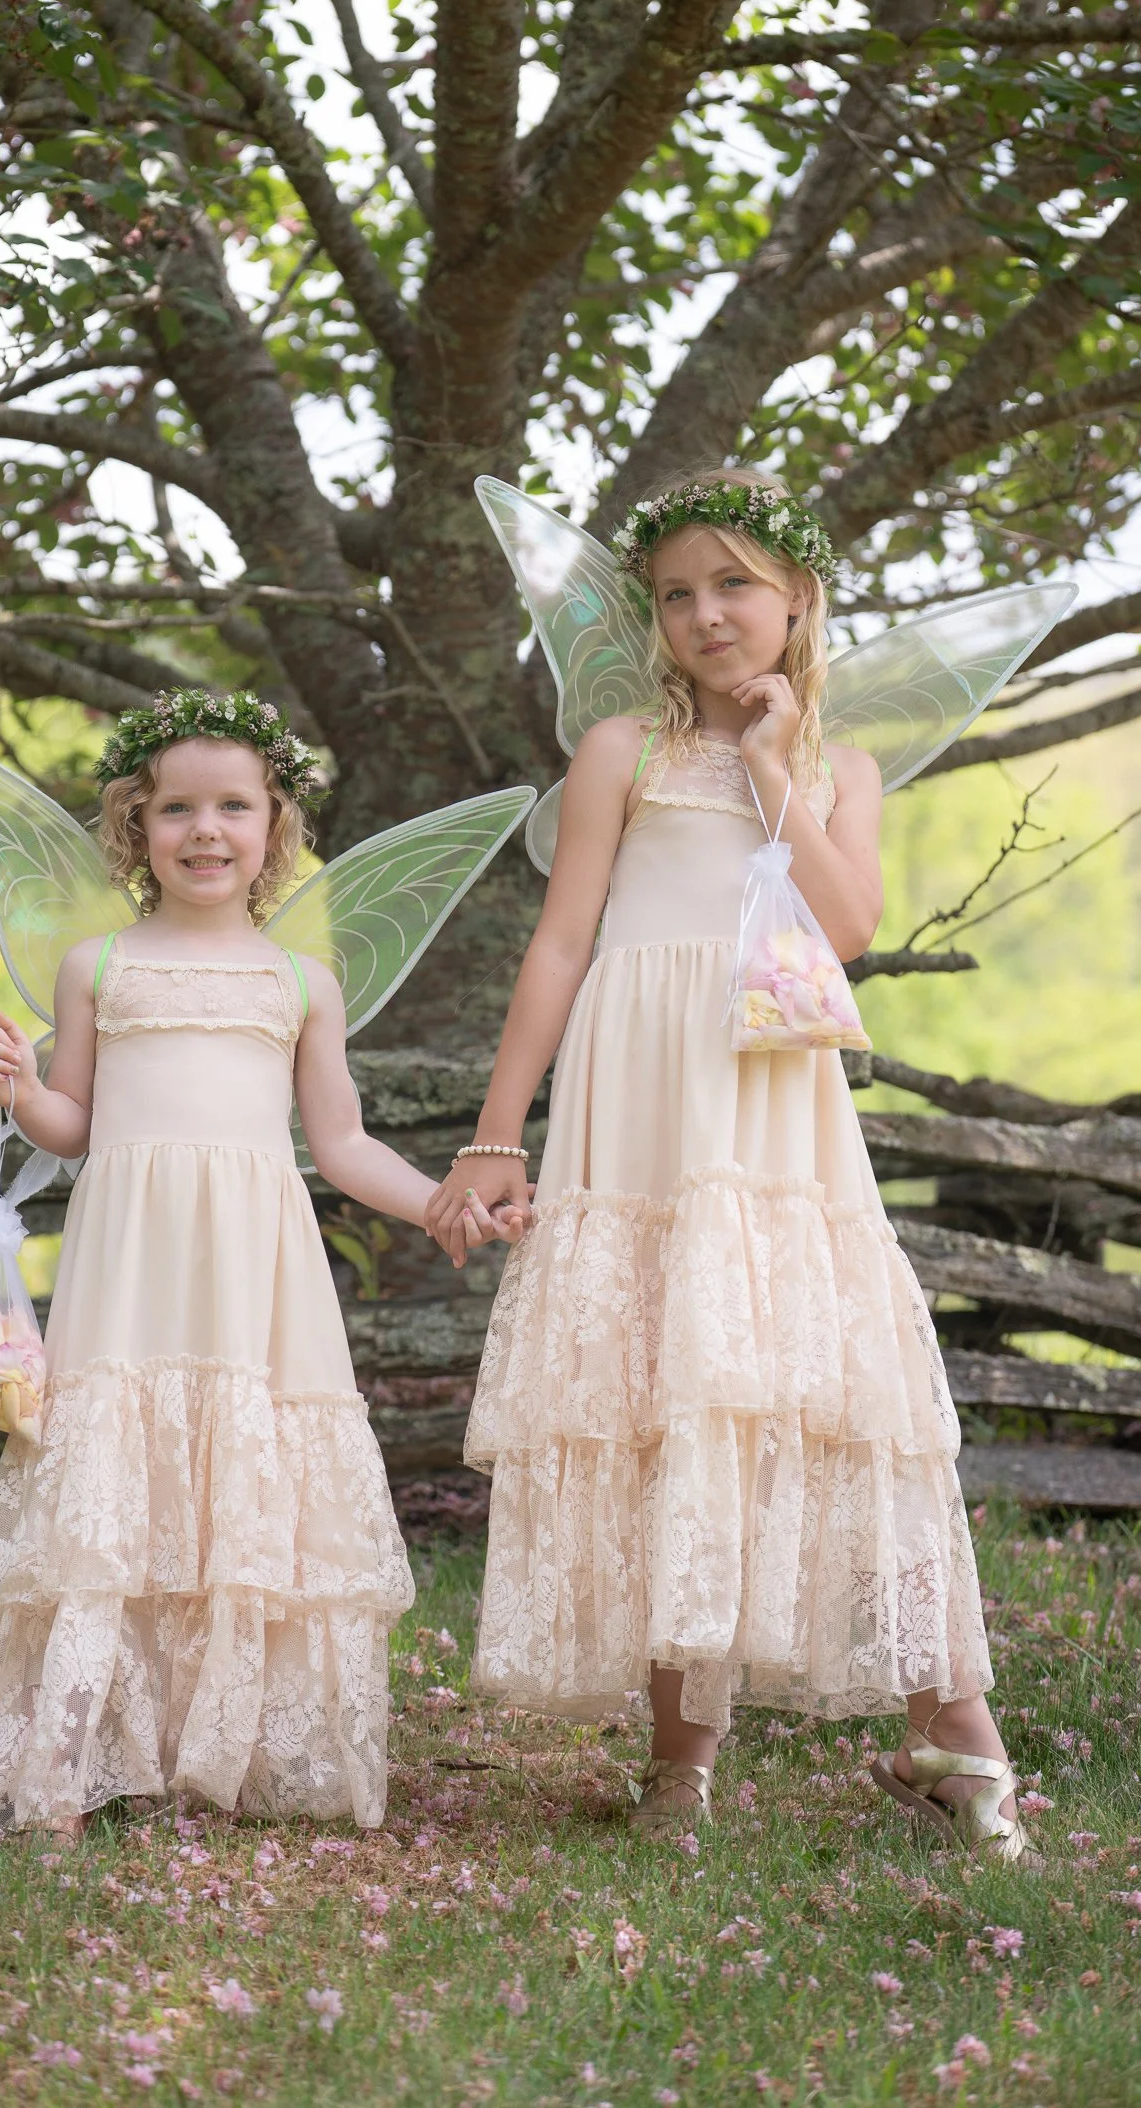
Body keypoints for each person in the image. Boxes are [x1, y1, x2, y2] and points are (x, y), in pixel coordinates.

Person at [427, 472, 1032, 1862]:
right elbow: (564, 944)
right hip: (639, 1095)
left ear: (798, 600)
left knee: (821, 1389)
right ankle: (680, 1770)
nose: (707, 614)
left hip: (766, 1102)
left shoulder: (836, 768)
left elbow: (852, 922)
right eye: (679, 594)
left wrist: (771, 772)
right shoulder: (623, 752)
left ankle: (962, 1741)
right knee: (662, 1391)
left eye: (736, 585)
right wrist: (496, 1129)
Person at [0, 690, 521, 1835]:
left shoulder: (299, 982)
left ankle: (233, 1741)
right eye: (177, 809)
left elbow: (342, 1141)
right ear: (134, 825)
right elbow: (78, 1122)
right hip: (132, 1258)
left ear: (275, 827)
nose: (205, 831)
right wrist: (19, 1092)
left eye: (233, 807)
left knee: (245, 1473)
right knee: (120, 1471)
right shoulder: (96, 964)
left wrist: (436, 1204)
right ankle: (84, 1745)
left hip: (253, 1263)